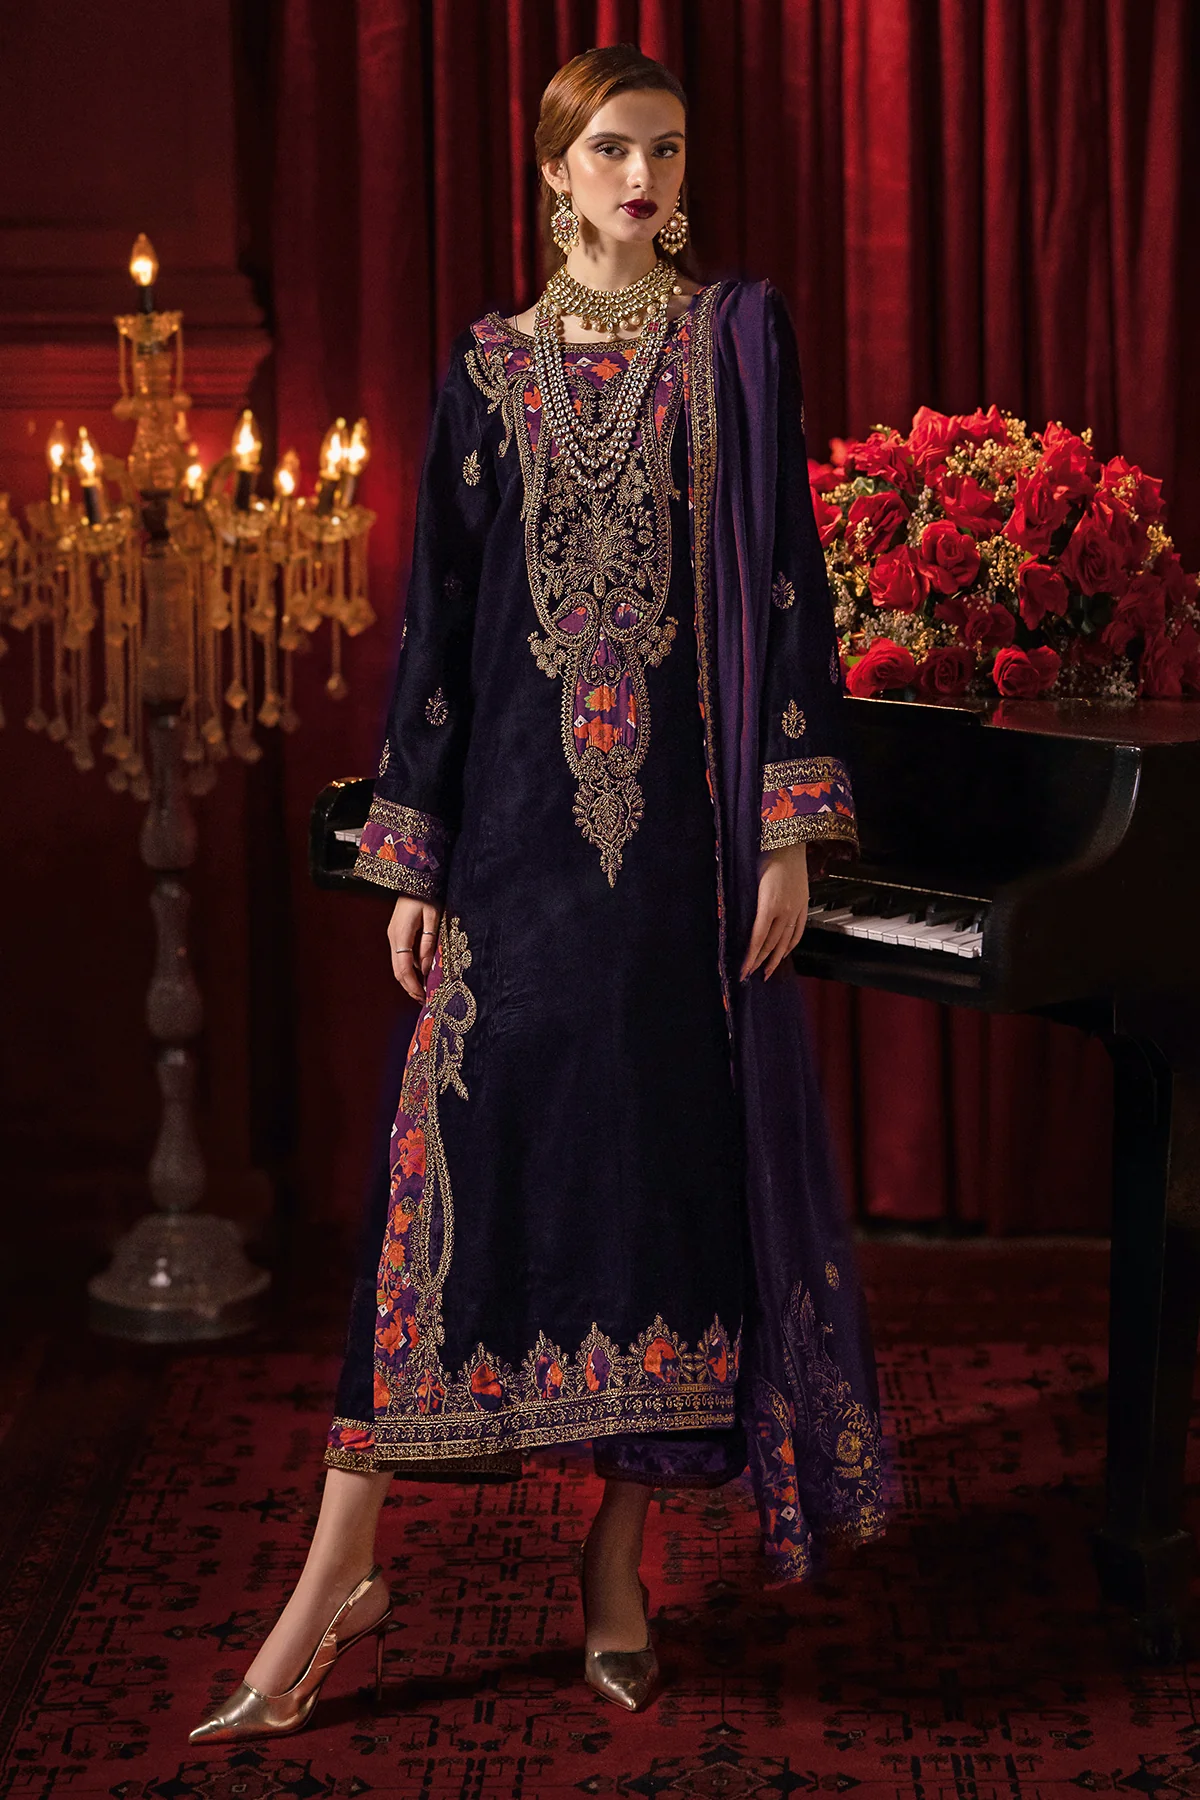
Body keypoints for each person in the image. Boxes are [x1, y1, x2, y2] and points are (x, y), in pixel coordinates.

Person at [189, 41, 884, 1742]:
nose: (645, 179)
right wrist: (413, 857)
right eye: (614, 151)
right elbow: (442, 622)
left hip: (678, 856)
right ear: (555, 170)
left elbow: (787, 584)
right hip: (511, 846)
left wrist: (789, 828)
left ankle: (616, 1564)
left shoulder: (734, 341)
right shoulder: (489, 368)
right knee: (445, 1194)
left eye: (668, 151)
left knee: (658, 1192)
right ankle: (333, 1579)